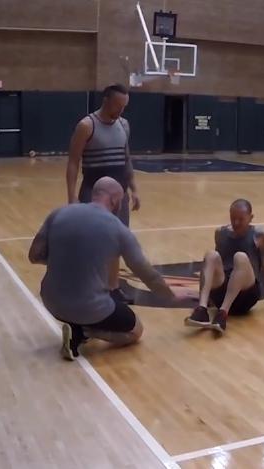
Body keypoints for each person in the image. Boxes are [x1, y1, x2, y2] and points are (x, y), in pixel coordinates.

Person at [29, 177, 190, 360]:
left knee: (90, 304)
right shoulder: (119, 230)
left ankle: (76, 328)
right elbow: (146, 273)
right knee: (135, 331)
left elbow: (34, 256)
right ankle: (83, 332)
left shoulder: (59, 213)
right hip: (89, 307)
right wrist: (171, 295)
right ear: (115, 200)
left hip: (51, 302)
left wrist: (66, 260)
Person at [66, 83, 140, 304]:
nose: (121, 110)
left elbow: (126, 159)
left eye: (124, 106)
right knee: (92, 242)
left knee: (117, 242)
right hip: (94, 193)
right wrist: (72, 197)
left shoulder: (124, 125)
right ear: (106, 100)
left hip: (119, 195)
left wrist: (134, 188)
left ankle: (113, 289)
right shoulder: (86, 125)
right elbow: (73, 162)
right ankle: (86, 287)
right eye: (118, 105)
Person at [185, 198, 264, 333]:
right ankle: (202, 310)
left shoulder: (260, 236)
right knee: (211, 255)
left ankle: (223, 314)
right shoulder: (220, 233)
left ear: (251, 218)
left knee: (240, 257)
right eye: (233, 218)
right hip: (221, 293)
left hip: (246, 295)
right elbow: (214, 268)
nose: (236, 223)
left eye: (241, 219)